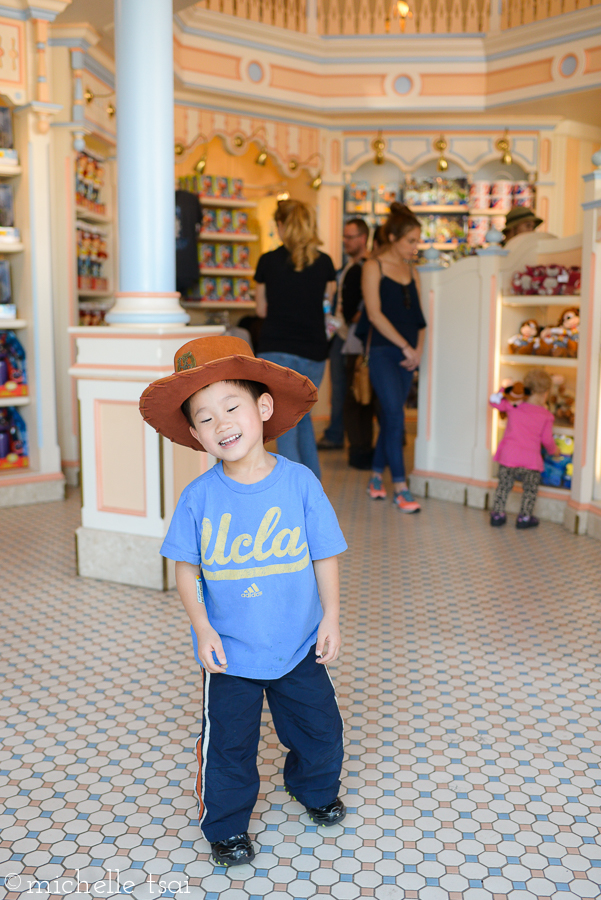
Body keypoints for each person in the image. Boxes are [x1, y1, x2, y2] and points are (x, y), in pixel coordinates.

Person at [139, 335, 347, 867]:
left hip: (298, 643)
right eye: (204, 418)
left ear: (263, 407)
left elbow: (325, 554)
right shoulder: (199, 497)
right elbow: (187, 570)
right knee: (228, 748)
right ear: (193, 433)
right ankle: (227, 826)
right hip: (229, 654)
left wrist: (333, 617)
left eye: (231, 407)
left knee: (320, 731)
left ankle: (315, 788)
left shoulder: (300, 484)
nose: (221, 424)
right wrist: (203, 628)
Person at [254, 199, 337, 479]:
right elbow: (328, 309)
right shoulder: (325, 263)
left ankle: (295, 495)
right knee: (301, 417)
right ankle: (312, 492)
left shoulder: (267, 262)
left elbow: (261, 309)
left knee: (284, 423)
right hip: (314, 351)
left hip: (276, 349)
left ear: (281, 226)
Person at [361, 202, 426, 513]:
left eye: (417, 241)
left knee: (391, 417)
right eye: (410, 241)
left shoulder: (413, 271)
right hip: (385, 353)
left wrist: (418, 352)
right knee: (396, 416)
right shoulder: (373, 266)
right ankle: (400, 486)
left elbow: (421, 320)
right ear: (392, 237)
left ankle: (375, 477)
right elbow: (374, 315)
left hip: (408, 356)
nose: (415, 247)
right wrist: (405, 347)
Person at [318, 218, 370, 451]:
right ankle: (340, 433)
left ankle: (342, 434)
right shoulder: (347, 267)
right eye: (344, 237)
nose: (345, 241)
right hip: (340, 333)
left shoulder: (368, 266)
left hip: (355, 335)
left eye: (350, 237)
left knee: (351, 388)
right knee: (341, 388)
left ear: (363, 238)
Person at [489, 369, 559, 529]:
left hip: (509, 457)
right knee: (530, 490)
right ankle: (524, 517)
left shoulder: (513, 406)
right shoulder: (546, 415)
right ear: (545, 394)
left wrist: (504, 389)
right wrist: (554, 451)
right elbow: (547, 440)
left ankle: (498, 515)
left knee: (503, 486)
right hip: (531, 460)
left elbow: (494, 402)